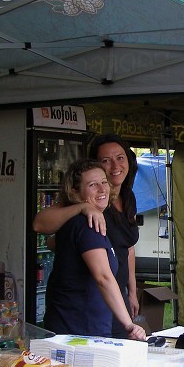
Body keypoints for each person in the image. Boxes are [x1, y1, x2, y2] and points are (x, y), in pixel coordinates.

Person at [34, 134, 140, 338]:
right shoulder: (85, 212)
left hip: (112, 298)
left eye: (120, 157)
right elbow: (41, 226)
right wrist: (82, 207)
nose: (115, 165)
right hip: (86, 307)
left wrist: (132, 292)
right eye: (106, 160)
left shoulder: (127, 198)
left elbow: (129, 248)